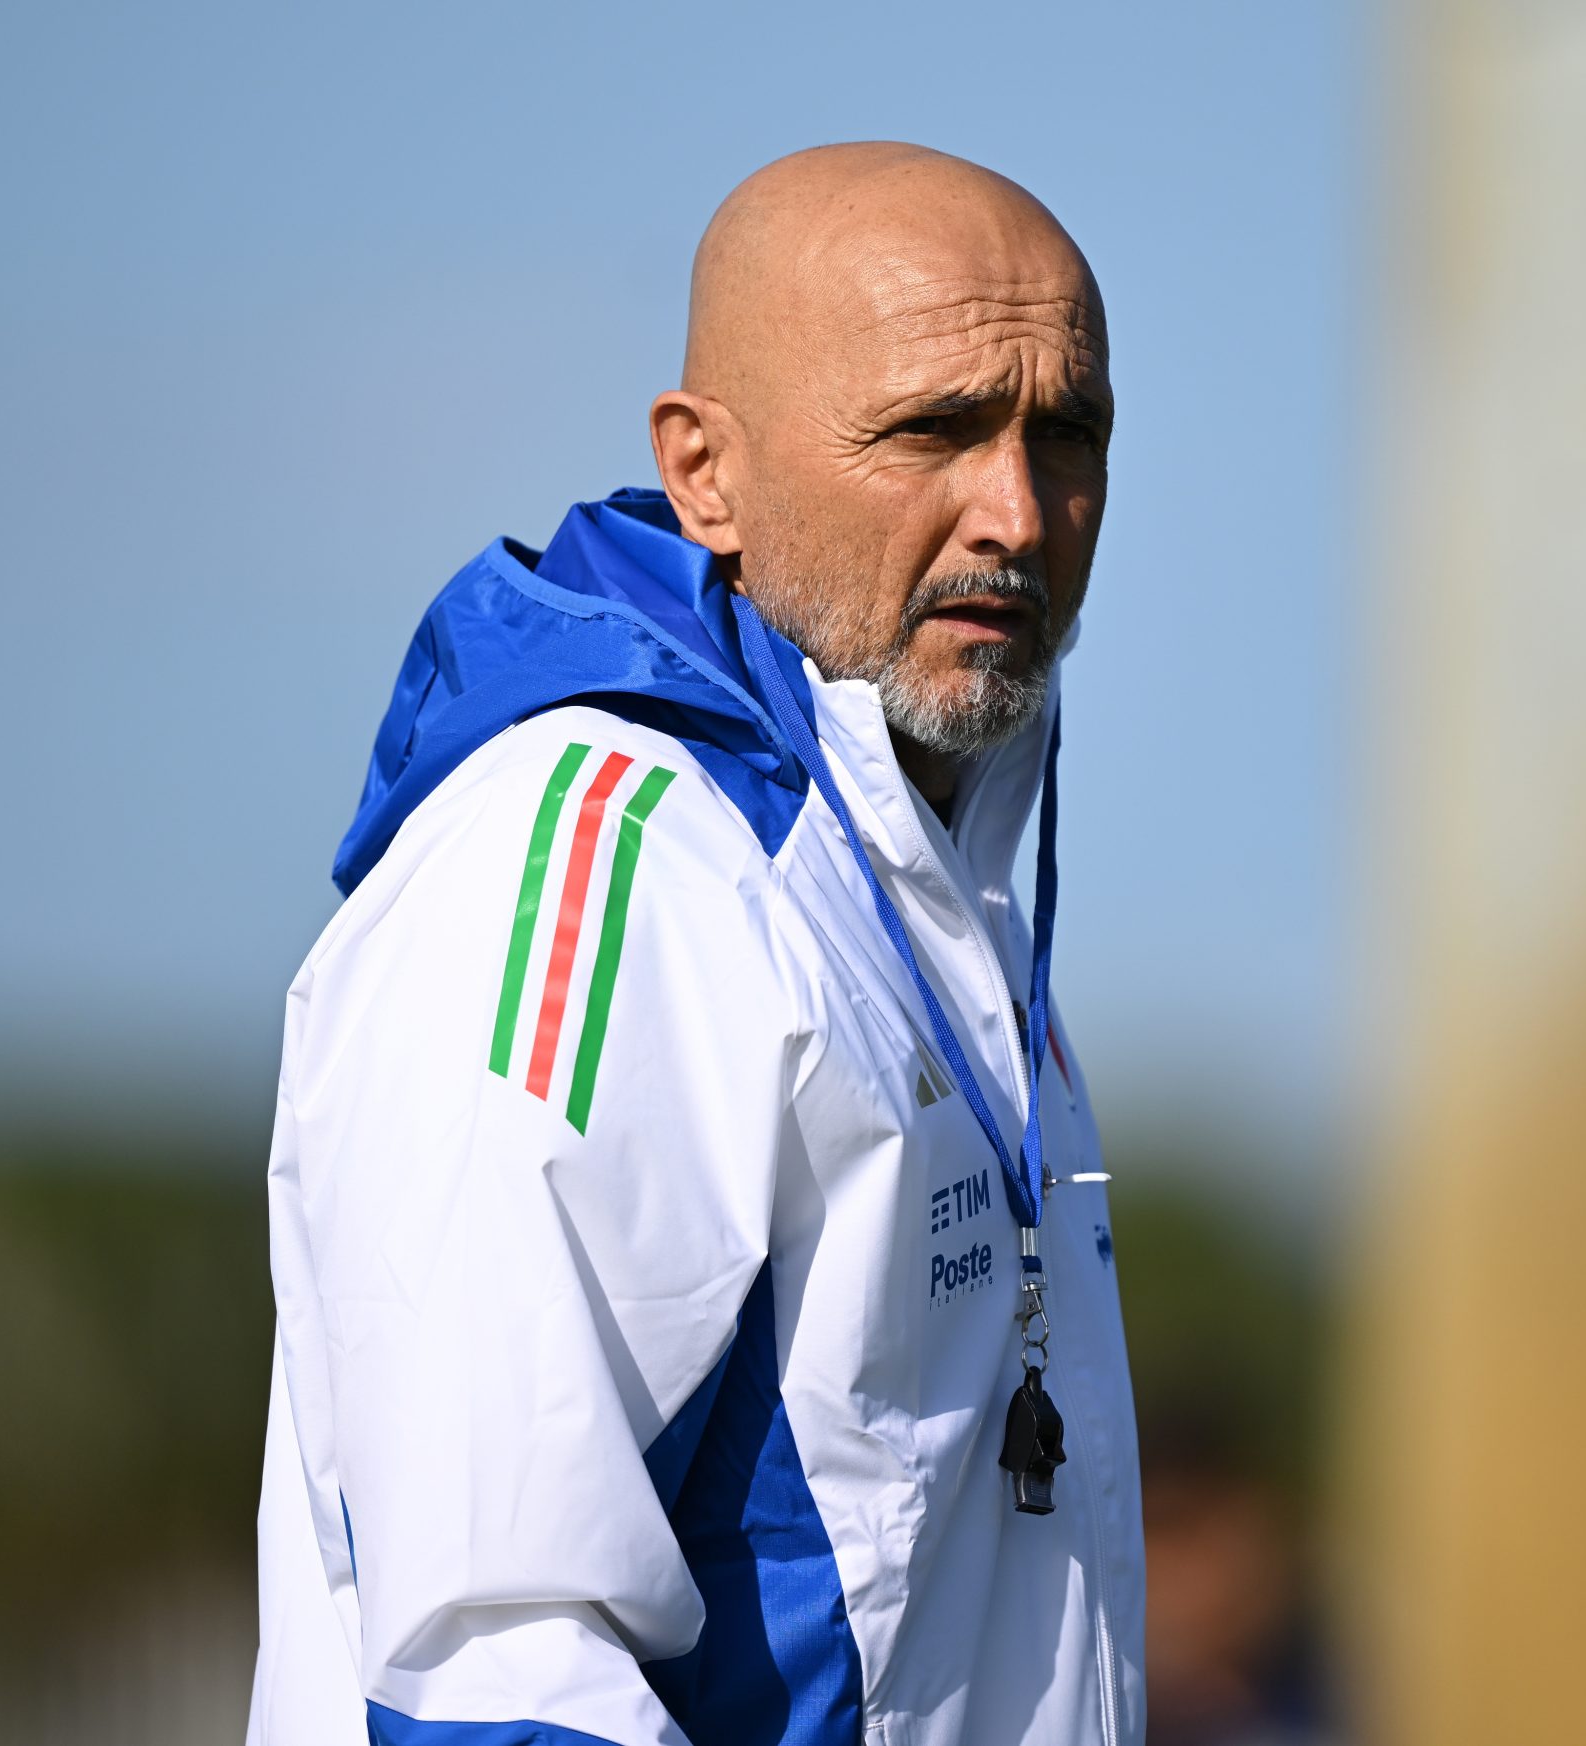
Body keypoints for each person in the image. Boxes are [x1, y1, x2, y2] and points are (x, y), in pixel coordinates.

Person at [247, 142, 1144, 1746]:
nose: (1015, 509)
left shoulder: (945, 876)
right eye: (933, 429)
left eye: (1064, 433)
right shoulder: (613, 862)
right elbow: (496, 1671)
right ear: (702, 471)